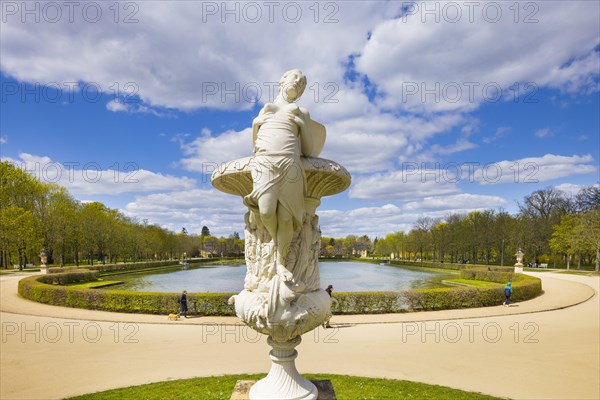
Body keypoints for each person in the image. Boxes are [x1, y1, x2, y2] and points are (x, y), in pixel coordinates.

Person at [243, 69, 317, 283]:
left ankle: (280, 261)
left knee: (286, 218)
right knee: (266, 211)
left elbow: (309, 150)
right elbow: (254, 145)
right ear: (282, 81)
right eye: (295, 78)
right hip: (265, 161)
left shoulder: (301, 111)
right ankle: (276, 244)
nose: (298, 82)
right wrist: (255, 124)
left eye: (302, 82)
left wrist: (302, 124)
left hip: (290, 163)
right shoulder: (267, 108)